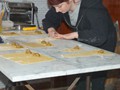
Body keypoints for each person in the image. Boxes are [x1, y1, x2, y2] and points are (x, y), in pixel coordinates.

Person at [42, 0, 117, 90]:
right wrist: (51, 30)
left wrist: (73, 35)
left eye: (60, 6)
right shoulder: (61, 5)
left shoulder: (93, 6)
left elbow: (100, 35)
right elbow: (49, 19)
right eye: (54, 7)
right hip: (85, 41)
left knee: (98, 78)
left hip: (104, 44)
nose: (57, 10)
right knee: (82, 76)